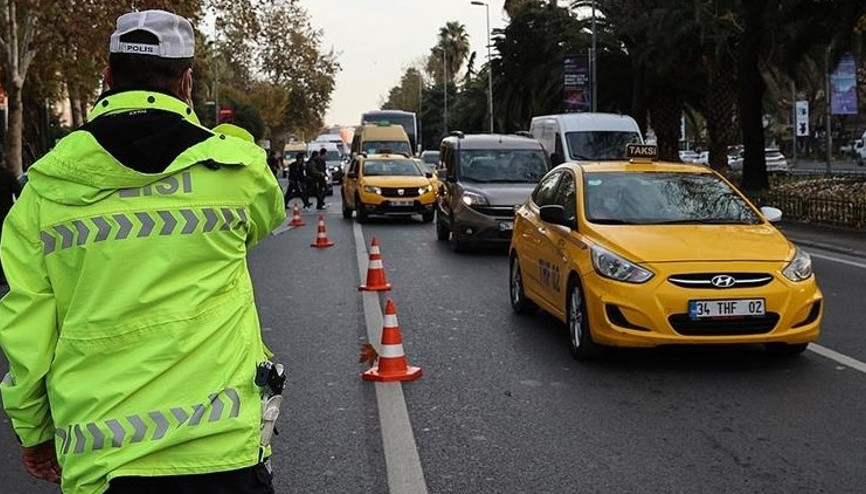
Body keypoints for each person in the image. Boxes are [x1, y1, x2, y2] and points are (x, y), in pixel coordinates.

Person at [0, 10, 285, 494]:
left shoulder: (44, 189)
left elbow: (26, 332)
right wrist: (231, 139)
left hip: (102, 461)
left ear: (108, 77)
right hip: (221, 454)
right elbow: (267, 216)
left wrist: (34, 432)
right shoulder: (236, 172)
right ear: (187, 81)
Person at [0, 160, 22, 285]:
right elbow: (19, 194)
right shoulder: (8, 175)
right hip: (5, 216)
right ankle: (5, 273)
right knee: (5, 245)